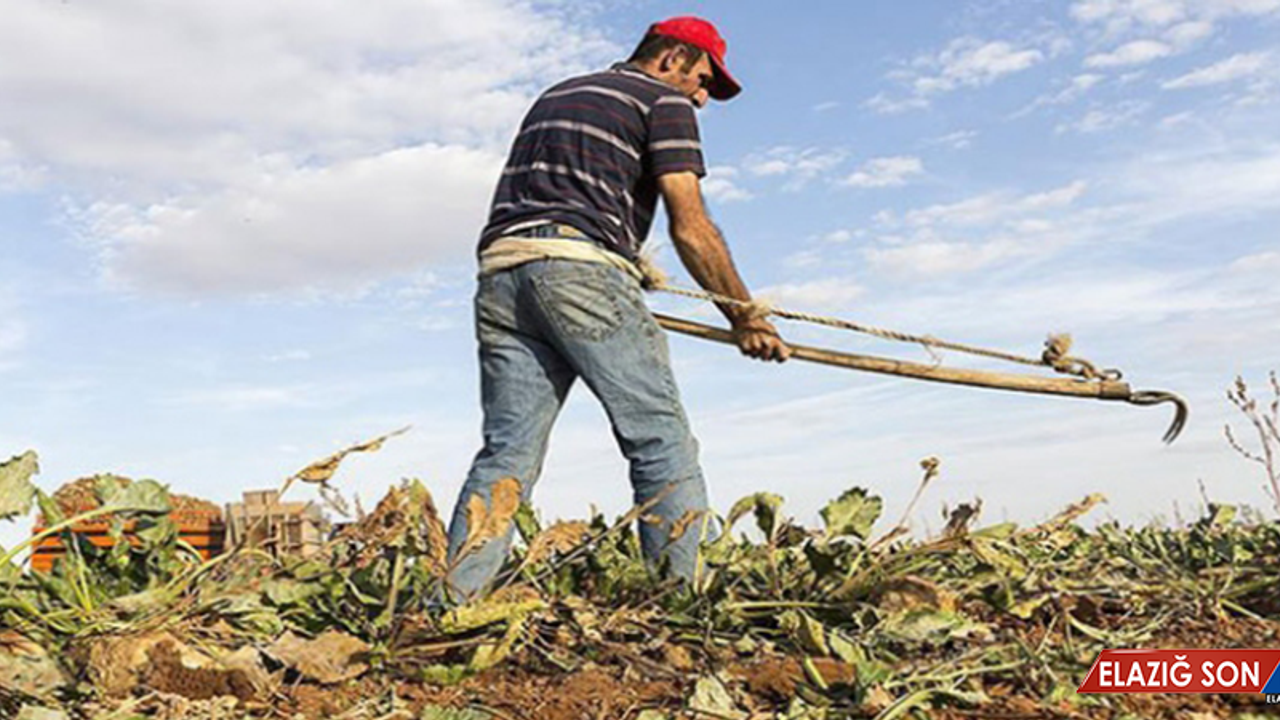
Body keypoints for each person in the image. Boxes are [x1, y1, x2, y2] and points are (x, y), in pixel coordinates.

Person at [444, 16, 791, 600]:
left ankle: (451, 604)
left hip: (503, 273)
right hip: (578, 270)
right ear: (672, 58)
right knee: (659, 437)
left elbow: (566, 194)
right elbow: (691, 223)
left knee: (506, 452)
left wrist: (627, 261)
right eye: (703, 79)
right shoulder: (663, 100)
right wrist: (745, 316)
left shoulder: (557, 94)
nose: (702, 98)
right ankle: (681, 603)